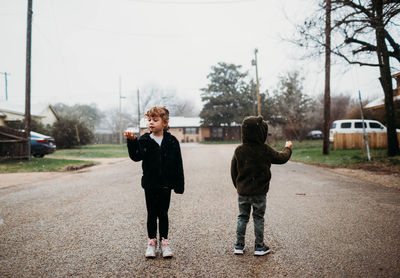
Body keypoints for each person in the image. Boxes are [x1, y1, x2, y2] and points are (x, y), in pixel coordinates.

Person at [125, 106, 184, 258]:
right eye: (149, 120)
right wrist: (131, 142)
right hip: (150, 184)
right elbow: (136, 156)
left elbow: (178, 163)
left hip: (166, 184)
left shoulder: (171, 141)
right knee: (151, 213)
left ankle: (164, 243)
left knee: (163, 213)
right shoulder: (144, 140)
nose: (151, 123)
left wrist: (178, 184)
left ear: (165, 122)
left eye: (155, 120)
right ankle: (151, 242)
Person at [230, 116, 292, 256]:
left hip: (243, 193)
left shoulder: (239, 150)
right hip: (259, 193)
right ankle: (259, 246)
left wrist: (239, 186)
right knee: (258, 217)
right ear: (260, 132)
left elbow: (233, 170)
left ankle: (239, 245)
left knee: (242, 217)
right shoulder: (265, 150)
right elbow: (281, 158)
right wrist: (287, 148)